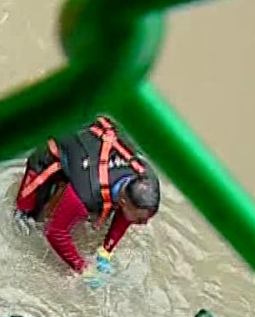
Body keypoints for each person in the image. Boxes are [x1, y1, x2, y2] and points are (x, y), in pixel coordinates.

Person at [14, 115, 160, 286]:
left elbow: (126, 215)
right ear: (122, 201)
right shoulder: (87, 193)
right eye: (141, 219)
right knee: (25, 220)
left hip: (91, 151)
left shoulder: (146, 178)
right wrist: (82, 268)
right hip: (63, 141)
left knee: (97, 210)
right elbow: (55, 232)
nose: (144, 223)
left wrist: (106, 251)